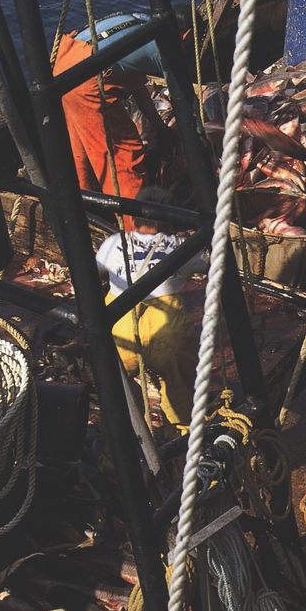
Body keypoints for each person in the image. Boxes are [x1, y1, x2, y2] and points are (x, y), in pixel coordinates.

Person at [52, 9, 192, 229]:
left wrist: (159, 126)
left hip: (65, 61)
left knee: (81, 147)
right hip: (88, 80)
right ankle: (135, 228)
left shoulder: (142, 23)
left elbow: (137, 86)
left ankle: (85, 207)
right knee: (125, 157)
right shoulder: (165, 49)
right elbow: (183, 97)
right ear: (186, 34)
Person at [95, 186, 209, 434]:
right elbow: (208, 264)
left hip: (119, 319)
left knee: (116, 382)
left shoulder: (113, 243)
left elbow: (97, 272)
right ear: (170, 220)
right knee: (179, 382)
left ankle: (123, 432)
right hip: (166, 328)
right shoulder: (182, 245)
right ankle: (183, 433)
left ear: (134, 218)